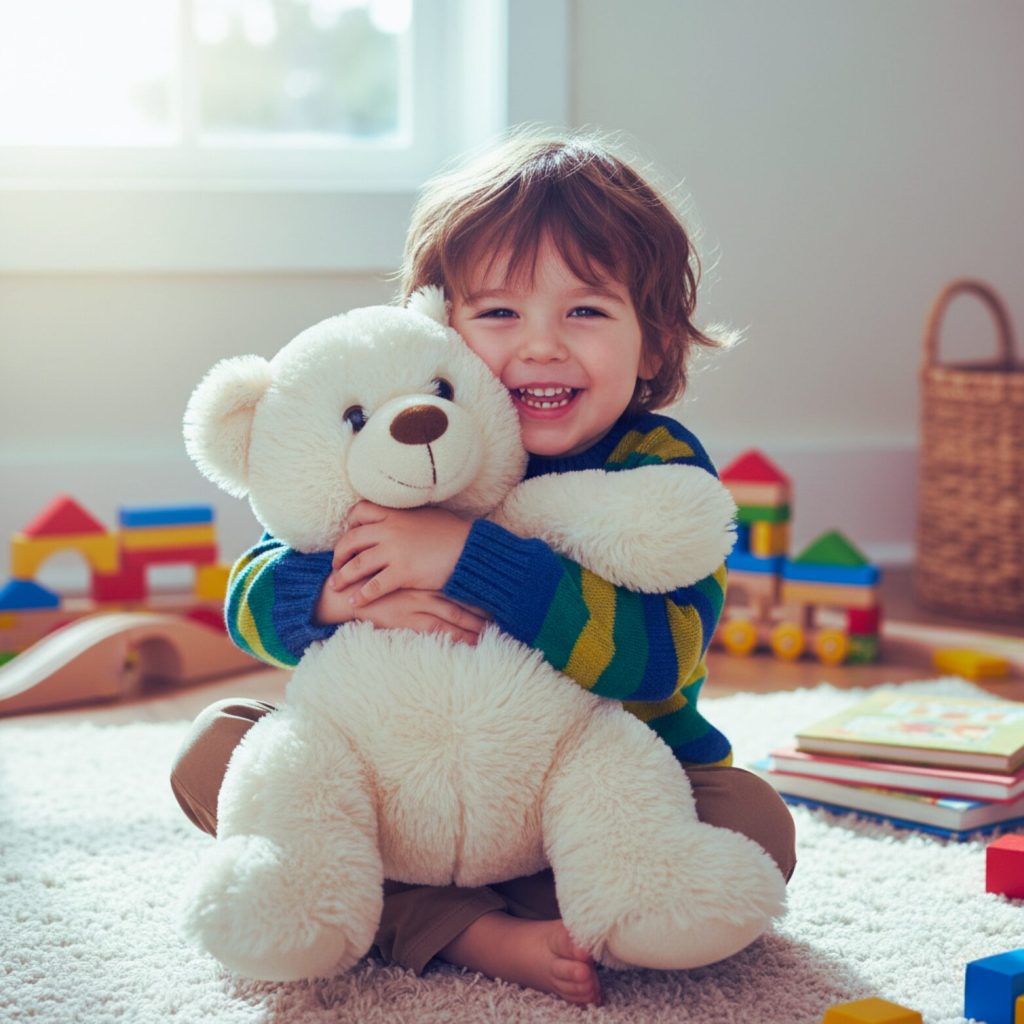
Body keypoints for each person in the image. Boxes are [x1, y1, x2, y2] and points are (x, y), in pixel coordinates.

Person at [171, 129, 797, 1008]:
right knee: (218, 752)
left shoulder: (658, 473)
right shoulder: (413, 438)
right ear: (441, 329)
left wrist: (472, 560)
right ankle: (465, 927)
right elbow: (252, 590)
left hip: (590, 814)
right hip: (401, 804)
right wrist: (328, 594)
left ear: (654, 343)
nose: (539, 347)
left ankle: (506, 916)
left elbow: (660, 656)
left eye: (585, 312)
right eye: (499, 314)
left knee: (754, 826)